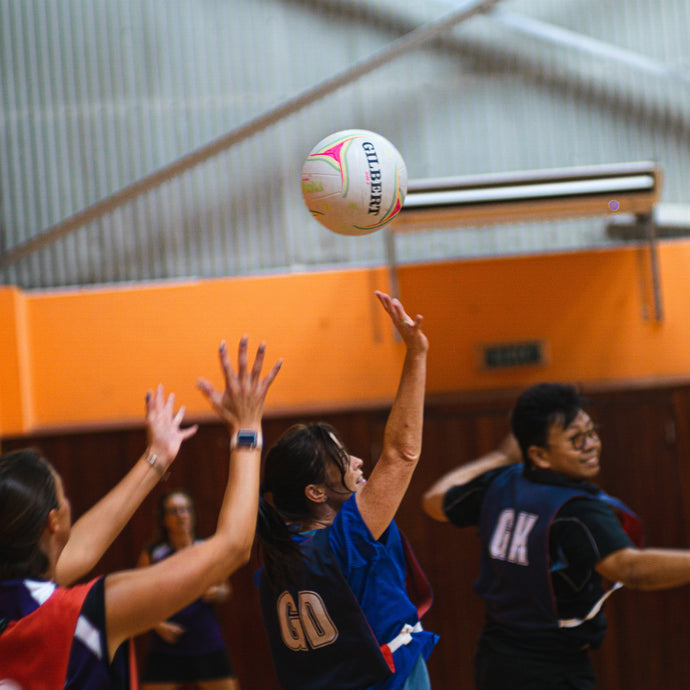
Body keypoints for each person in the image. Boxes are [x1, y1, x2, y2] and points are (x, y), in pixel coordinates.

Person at [0, 336, 281, 689]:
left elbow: (81, 550)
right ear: (53, 522)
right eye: (63, 495)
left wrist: (157, 457)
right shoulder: (82, 614)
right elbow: (233, 546)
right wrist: (247, 430)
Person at [422, 381, 690, 690]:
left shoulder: (499, 482)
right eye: (576, 440)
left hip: (496, 659)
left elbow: (434, 499)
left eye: (592, 432)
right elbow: (630, 568)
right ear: (540, 455)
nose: (592, 445)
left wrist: (500, 456)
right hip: (549, 669)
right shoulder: (577, 511)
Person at [255, 291, 438, 690]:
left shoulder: (273, 563)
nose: (356, 461)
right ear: (316, 493)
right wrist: (416, 354)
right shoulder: (344, 542)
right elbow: (401, 454)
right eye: (342, 459)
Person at [137, 489, 240, 690]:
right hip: (167, 642)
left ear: (193, 515)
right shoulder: (153, 554)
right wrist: (159, 625)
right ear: (164, 519)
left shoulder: (208, 549)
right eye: (174, 511)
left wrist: (216, 593)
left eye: (185, 510)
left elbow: (225, 589)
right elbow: (138, 600)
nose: (181, 516)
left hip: (205, 639)